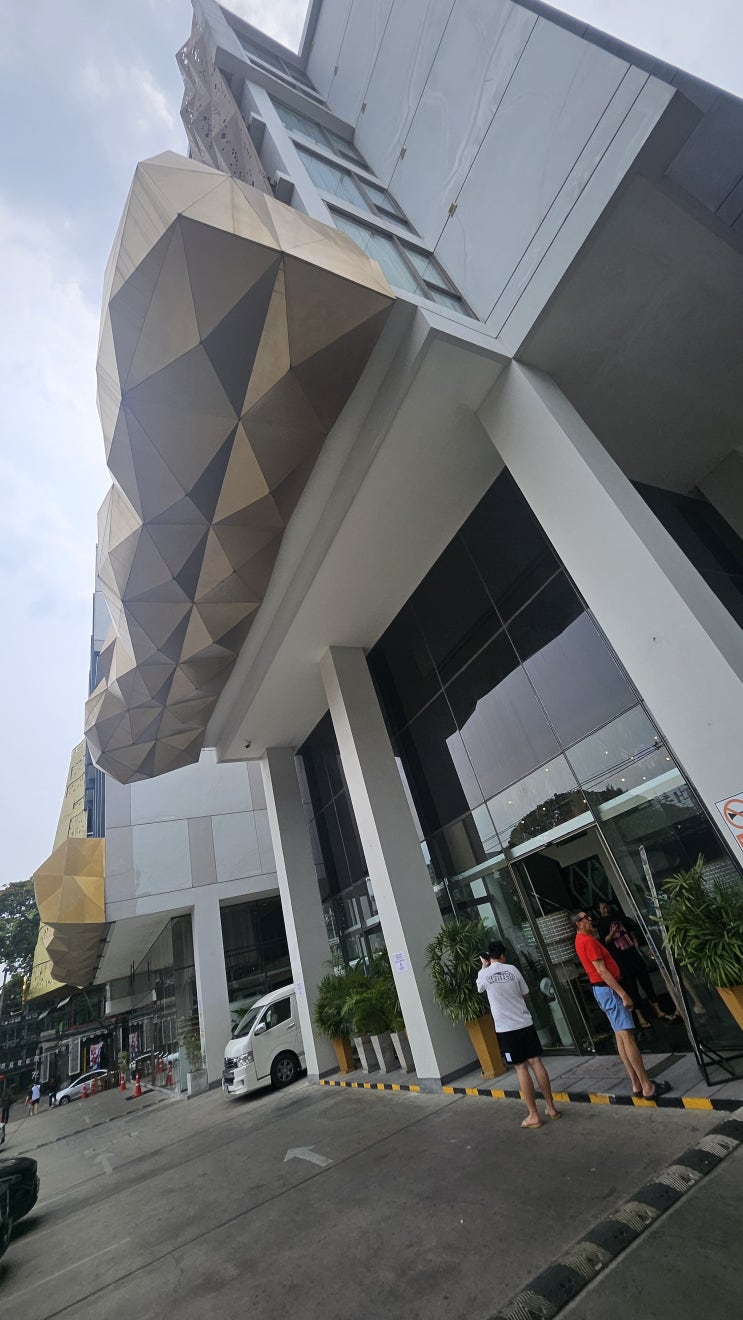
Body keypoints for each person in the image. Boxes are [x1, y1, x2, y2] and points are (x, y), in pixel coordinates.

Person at [572, 911, 670, 1101]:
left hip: (603, 990)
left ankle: (637, 1083)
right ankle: (647, 1087)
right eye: (585, 918)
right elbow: (602, 970)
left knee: (621, 1035)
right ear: (578, 924)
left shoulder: (581, 940)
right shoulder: (588, 941)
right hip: (609, 990)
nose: (590, 920)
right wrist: (623, 994)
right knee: (627, 1036)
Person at [477, 942, 560, 1130]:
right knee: (536, 1062)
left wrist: (483, 967)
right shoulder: (513, 970)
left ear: (489, 956)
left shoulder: (485, 974)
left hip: (506, 1029)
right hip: (524, 1023)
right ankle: (551, 1107)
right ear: (503, 955)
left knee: (521, 1067)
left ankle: (533, 1115)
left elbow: (480, 988)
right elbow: (526, 993)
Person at [596, 900, 677, 1027]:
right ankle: (640, 1016)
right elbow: (605, 941)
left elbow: (632, 930)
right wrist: (612, 932)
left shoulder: (618, 916)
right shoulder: (601, 924)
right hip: (620, 958)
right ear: (599, 910)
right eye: (603, 908)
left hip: (632, 952)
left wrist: (636, 945)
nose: (606, 910)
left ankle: (657, 1009)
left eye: (607, 907)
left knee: (646, 983)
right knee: (632, 987)